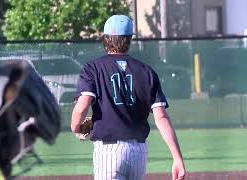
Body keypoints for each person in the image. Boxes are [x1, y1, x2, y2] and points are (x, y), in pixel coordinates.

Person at [71, 15, 185, 180]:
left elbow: (82, 106)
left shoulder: (92, 69)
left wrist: (75, 127)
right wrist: (177, 158)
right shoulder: (147, 71)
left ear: (106, 38)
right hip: (138, 151)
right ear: (130, 39)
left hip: (108, 151)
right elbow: (161, 117)